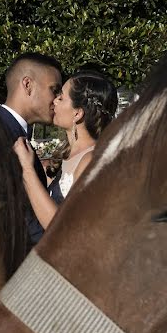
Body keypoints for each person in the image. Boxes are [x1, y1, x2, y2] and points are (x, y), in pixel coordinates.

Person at [13, 69, 117, 229]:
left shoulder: (91, 160)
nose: (54, 101)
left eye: (61, 97)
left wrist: (27, 169)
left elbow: (61, 228)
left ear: (77, 114)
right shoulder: (68, 154)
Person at [0, 52, 63, 245]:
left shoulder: (13, 131)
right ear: (27, 85)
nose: (57, 99)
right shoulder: (1, 134)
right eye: (54, 89)